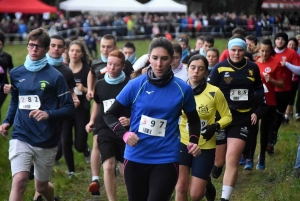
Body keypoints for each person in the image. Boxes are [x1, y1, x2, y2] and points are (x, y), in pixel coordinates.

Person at [103, 37, 201, 201]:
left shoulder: (183, 88)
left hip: (166, 157)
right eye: (155, 58)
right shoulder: (136, 84)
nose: (159, 63)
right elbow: (109, 114)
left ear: (172, 59)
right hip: (136, 156)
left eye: (164, 58)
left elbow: (194, 120)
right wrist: (124, 134)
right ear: (149, 58)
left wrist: (193, 140)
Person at [0, 28, 75, 201]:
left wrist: (48, 114)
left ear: (46, 49)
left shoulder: (55, 77)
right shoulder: (17, 73)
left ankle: (51, 198)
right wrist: (7, 121)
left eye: (39, 47)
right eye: (31, 45)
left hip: (45, 138)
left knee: (41, 186)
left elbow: (69, 108)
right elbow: (15, 101)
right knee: (19, 180)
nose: (34, 49)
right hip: (21, 134)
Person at [208, 36, 264, 201]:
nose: (237, 53)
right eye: (233, 50)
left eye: (240, 50)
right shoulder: (219, 68)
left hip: (241, 118)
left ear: (244, 50)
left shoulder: (253, 67)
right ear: (228, 50)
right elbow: (209, 92)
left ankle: (225, 198)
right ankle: (216, 168)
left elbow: (259, 89)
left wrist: (255, 104)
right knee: (219, 161)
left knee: (231, 157)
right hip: (221, 118)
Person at [175, 55, 232, 201]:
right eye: (193, 68)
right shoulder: (179, 89)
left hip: (205, 146)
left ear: (206, 72)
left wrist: (215, 126)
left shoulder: (214, 92)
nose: (196, 72)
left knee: (195, 194)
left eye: (201, 69)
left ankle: (206, 185)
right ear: (187, 69)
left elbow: (227, 116)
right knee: (180, 187)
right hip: (183, 142)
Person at [32, 35, 81, 201]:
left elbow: (72, 93)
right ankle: (40, 193)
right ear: (47, 47)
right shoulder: (36, 65)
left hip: (54, 121)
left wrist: (74, 99)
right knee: (34, 159)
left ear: (64, 49)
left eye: (60, 46)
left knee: (43, 159)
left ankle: (40, 194)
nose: (56, 49)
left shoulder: (66, 71)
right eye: (53, 45)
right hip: (32, 119)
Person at [86, 34, 133, 195]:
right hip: (105, 128)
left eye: (116, 65)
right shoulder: (100, 84)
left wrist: (130, 119)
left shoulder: (129, 84)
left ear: (122, 66)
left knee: (126, 169)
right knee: (108, 166)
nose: (112, 68)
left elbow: (138, 107)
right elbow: (97, 104)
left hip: (124, 129)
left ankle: (132, 196)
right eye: (109, 64)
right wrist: (92, 121)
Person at [61, 40, 91, 178]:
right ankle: (71, 170)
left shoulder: (87, 70)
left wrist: (84, 89)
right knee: (65, 140)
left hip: (82, 109)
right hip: (66, 109)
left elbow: (93, 92)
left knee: (79, 144)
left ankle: (84, 149)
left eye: (77, 51)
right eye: (72, 50)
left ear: (82, 53)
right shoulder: (63, 69)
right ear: (68, 52)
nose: (74, 53)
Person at [254, 39, 284, 169]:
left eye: (267, 51)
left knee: (264, 131)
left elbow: (282, 84)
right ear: (259, 50)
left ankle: (262, 157)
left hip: (270, 102)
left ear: (271, 51)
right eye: (262, 51)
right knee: (252, 130)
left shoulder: (276, 63)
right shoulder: (254, 64)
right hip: (256, 102)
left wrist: (271, 80)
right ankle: (248, 156)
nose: (264, 54)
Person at [272, 32, 300, 153]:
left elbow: (299, 70)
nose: (280, 41)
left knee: (279, 114)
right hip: (270, 90)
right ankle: (269, 138)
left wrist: (287, 64)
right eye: (277, 39)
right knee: (270, 115)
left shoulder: (291, 53)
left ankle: (273, 134)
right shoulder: (270, 52)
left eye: (282, 39)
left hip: (285, 89)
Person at [283, 37, 299, 124]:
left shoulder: (297, 55)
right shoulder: (283, 55)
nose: (291, 46)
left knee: (291, 98)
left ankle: (286, 116)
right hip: (283, 79)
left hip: (294, 79)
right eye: (290, 44)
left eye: (293, 45)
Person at [0, 31, 14, 119]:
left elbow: (11, 69)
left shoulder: (7, 56)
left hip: (3, 87)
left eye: (0, 44)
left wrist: (10, 74)